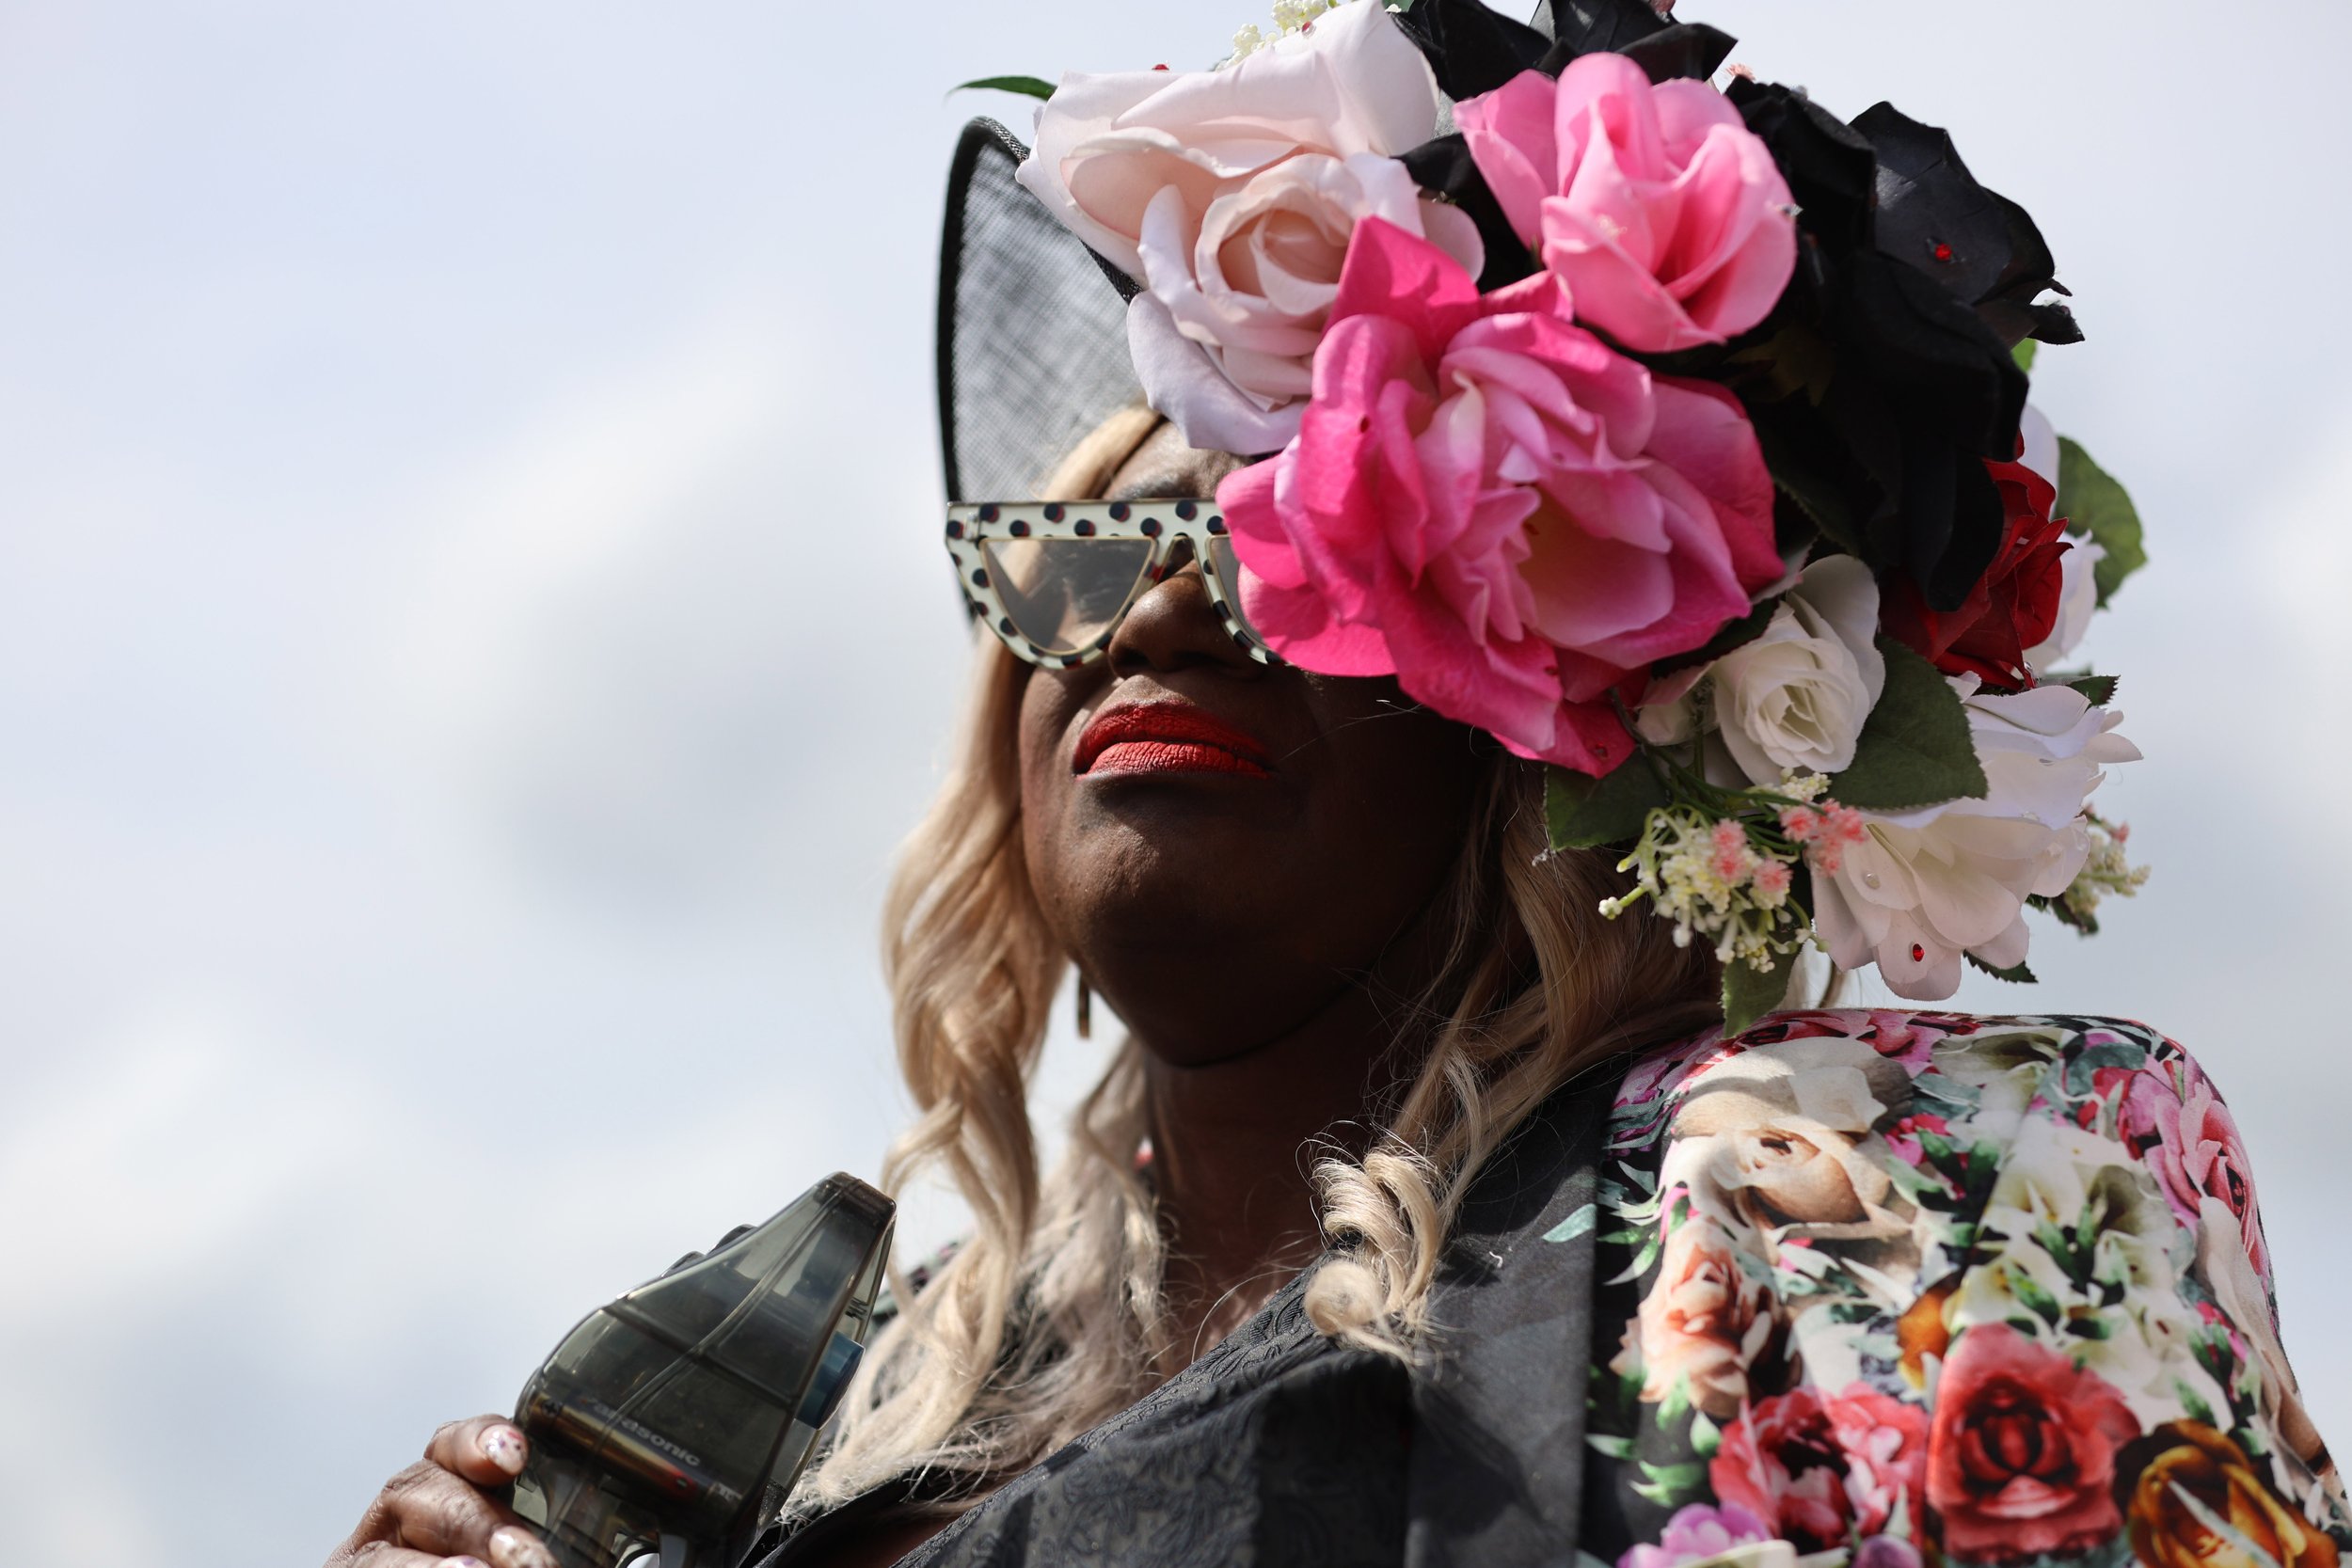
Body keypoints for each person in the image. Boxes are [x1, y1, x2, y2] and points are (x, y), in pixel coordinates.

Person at [324, 3, 2351, 1566]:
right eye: (1083, 553)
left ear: (1584, 695)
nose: (1150, 625)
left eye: (1290, 552)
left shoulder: (1907, 1193)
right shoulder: (780, 1410)